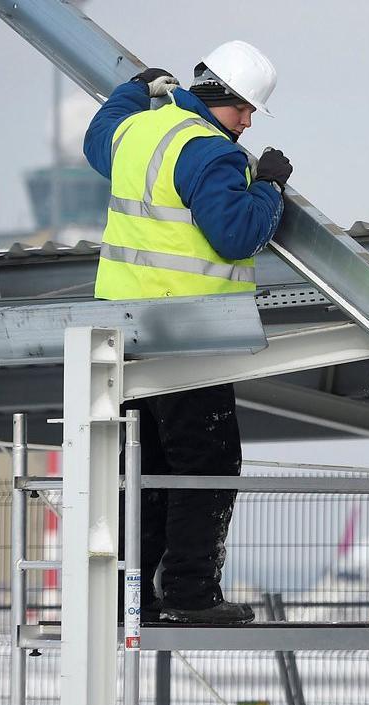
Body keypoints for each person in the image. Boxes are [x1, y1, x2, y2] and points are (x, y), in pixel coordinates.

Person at [84, 41, 293, 624]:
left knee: (144, 463)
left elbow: (98, 135)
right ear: (217, 97)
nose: (247, 123)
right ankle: (189, 594)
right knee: (207, 459)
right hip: (188, 335)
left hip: (124, 336)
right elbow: (235, 234)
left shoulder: (138, 132)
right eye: (245, 109)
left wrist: (134, 88)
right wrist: (270, 185)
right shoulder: (211, 154)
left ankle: (135, 597)